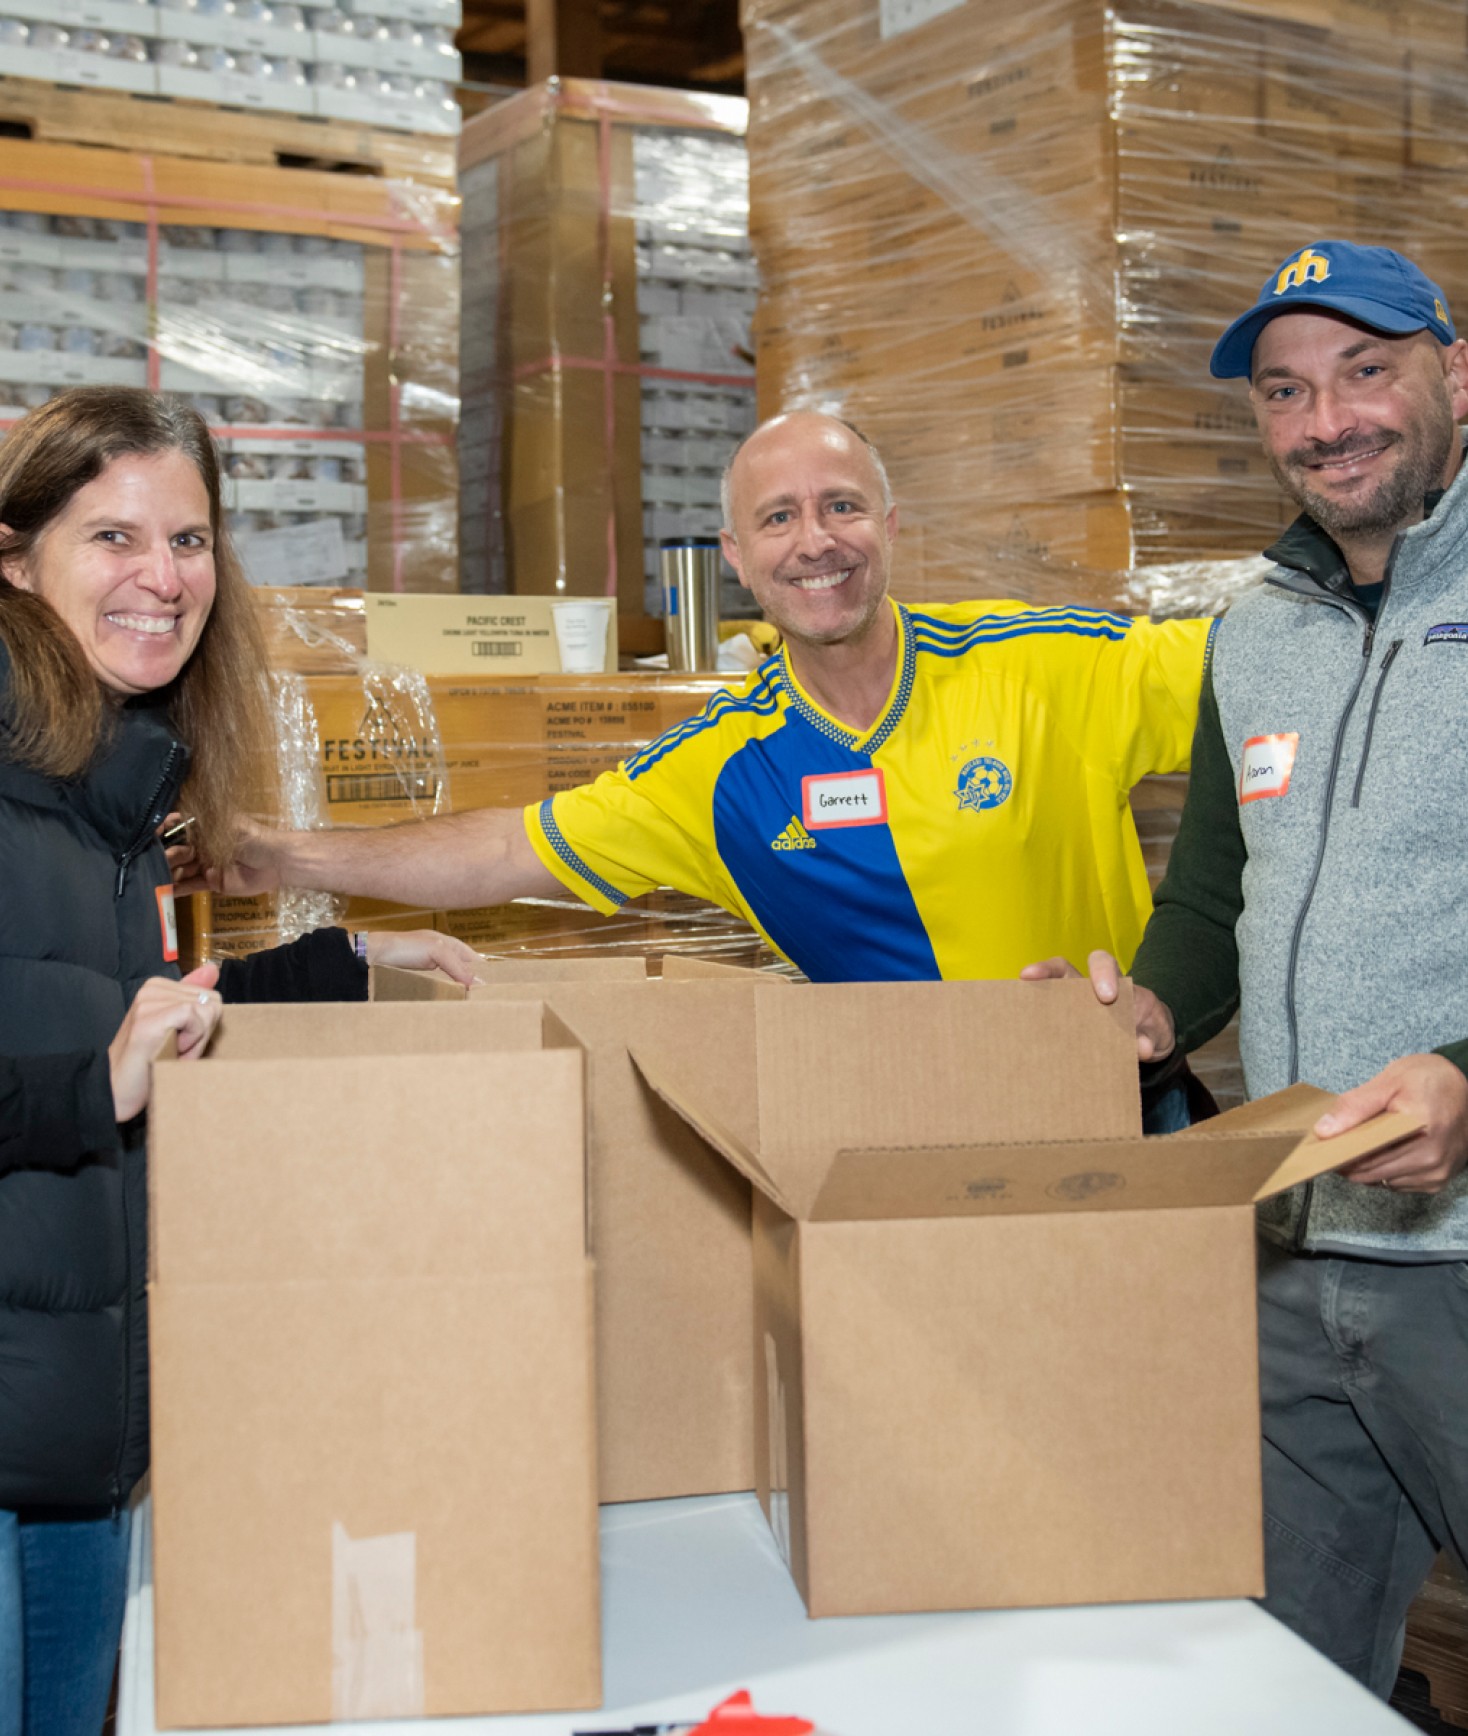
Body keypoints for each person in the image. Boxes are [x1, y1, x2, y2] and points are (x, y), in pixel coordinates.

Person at [1024, 240, 1468, 1697]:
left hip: (1459, 1267)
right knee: (1283, 1684)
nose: (1325, 420)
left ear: (1454, 374)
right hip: (1288, 1250)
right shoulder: (1254, 631)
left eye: (1366, 372)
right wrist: (1146, 1012)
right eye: (1286, 391)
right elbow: (1219, 890)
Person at [0, 387, 479, 1736]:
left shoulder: (98, 792)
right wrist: (90, 1091)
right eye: (113, 538)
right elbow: (93, 1061)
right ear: (14, 556)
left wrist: (348, 966)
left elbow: (121, 1014)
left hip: (71, 1443)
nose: (164, 578)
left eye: (192, 539)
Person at [188, 410, 1213, 998]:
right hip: (910, 1136)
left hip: (1118, 1099)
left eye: (841, 506)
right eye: (778, 518)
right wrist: (287, 853)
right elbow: (507, 851)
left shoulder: (1041, 664)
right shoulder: (723, 768)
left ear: (890, 527)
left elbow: (1252, 676)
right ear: (736, 558)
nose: (815, 540)